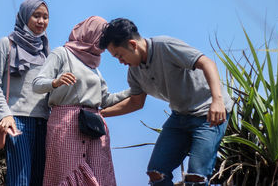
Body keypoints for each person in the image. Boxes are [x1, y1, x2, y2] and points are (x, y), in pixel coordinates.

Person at [99, 18, 234, 186]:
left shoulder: (165, 46)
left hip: (208, 114)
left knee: (196, 178)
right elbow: (135, 102)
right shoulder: (134, 72)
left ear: (133, 44)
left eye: (119, 55)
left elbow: (207, 63)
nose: (120, 61)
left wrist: (217, 101)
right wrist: (101, 114)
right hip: (180, 117)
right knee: (157, 172)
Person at [32, 16, 130, 186]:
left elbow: (105, 100)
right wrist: (55, 82)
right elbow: (37, 84)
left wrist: (134, 90)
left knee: (98, 174)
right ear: (90, 33)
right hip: (66, 125)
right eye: (102, 37)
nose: (104, 44)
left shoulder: (94, 65)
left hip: (93, 128)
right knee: (66, 176)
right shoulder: (61, 53)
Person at [0, 0, 50, 186]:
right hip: (18, 121)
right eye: (36, 15)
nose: (41, 21)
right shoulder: (6, 44)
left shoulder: (45, 50)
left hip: (44, 122)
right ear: (24, 16)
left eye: (46, 17)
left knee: (39, 180)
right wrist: (5, 115)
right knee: (20, 180)